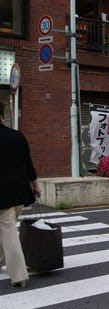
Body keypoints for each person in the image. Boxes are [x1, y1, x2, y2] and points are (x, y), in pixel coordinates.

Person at [0, 102, 40, 288]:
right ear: (2, 115)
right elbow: (28, 163)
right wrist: (35, 185)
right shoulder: (17, 136)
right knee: (6, 229)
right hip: (20, 192)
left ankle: (19, 275)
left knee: (8, 232)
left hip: (3, 195)